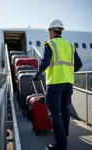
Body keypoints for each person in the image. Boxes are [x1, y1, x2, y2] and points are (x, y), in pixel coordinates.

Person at [32, 19, 82, 150]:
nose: (48, 34)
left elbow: (44, 63)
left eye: (49, 31)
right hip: (68, 84)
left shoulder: (50, 44)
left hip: (54, 83)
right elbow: (79, 65)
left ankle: (60, 145)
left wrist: (37, 75)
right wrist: (68, 72)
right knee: (65, 112)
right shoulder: (70, 45)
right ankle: (63, 138)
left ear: (52, 31)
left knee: (54, 113)